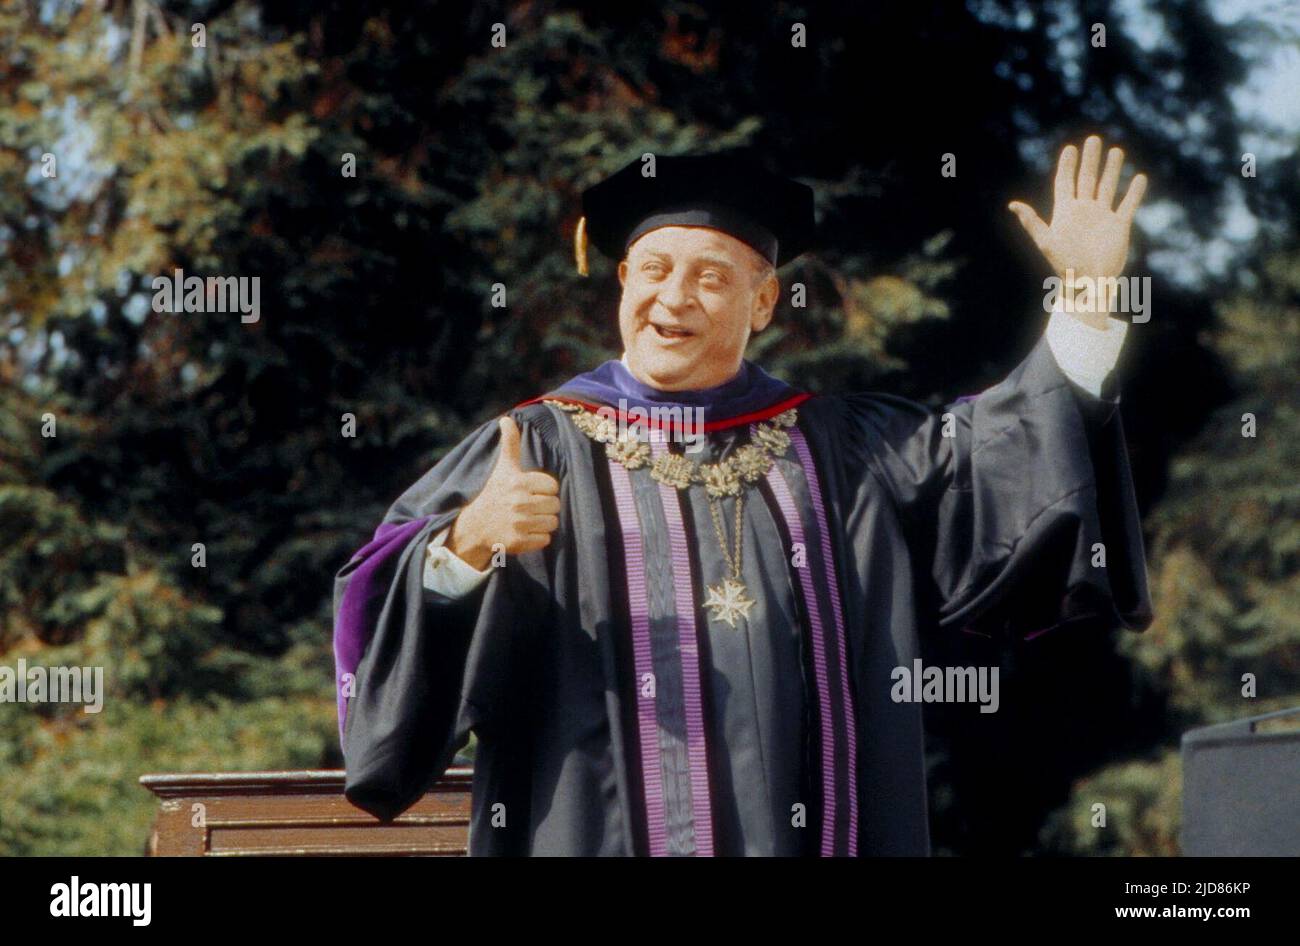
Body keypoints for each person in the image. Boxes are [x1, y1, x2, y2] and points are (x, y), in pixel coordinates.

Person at [333, 140, 1153, 855]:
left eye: (712, 277)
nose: (675, 297)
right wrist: (466, 545)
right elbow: (380, 608)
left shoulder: (842, 449)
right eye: (653, 270)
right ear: (622, 281)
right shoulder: (539, 445)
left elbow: (998, 458)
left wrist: (1084, 297)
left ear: (763, 303)